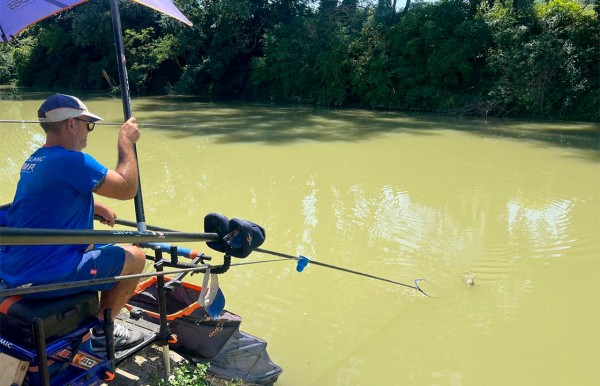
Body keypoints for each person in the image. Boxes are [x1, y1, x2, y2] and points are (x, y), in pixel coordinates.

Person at [0, 93, 146, 351]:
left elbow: (41, 205)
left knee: (98, 248)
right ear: (70, 123)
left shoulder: (35, 160)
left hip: (15, 270)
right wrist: (126, 142)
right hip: (46, 277)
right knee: (136, 256)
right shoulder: (71, 160)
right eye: (87, 124)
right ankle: (104, 329)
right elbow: (127, 188)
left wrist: (93, 206)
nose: (88, 132)